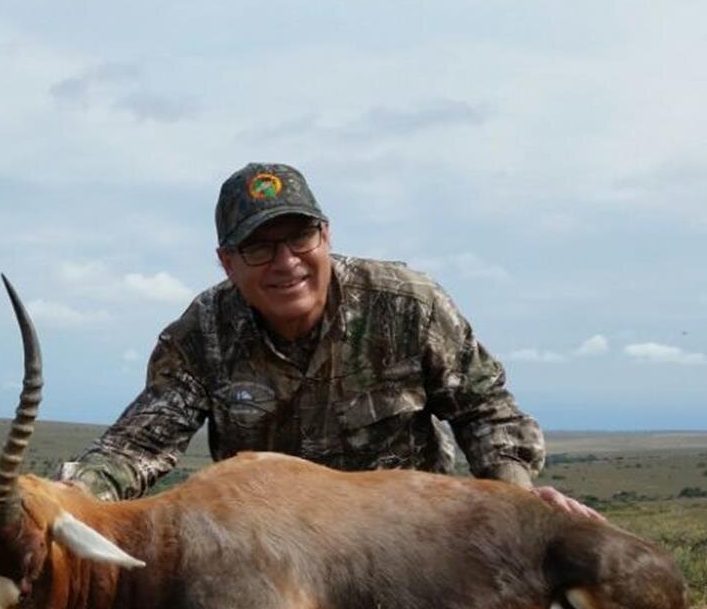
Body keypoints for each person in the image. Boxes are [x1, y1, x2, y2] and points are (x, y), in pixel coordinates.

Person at [63, 162, 598, 519]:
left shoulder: (408, 304)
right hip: (275, 547)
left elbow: (486, 411)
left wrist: (518, 502)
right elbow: (137, 445)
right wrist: (68, 501)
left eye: (300, 236)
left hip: (411, 534)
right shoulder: (200, 335)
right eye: (259, 248)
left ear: (326, 233)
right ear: (227, 263)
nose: (286, 262)